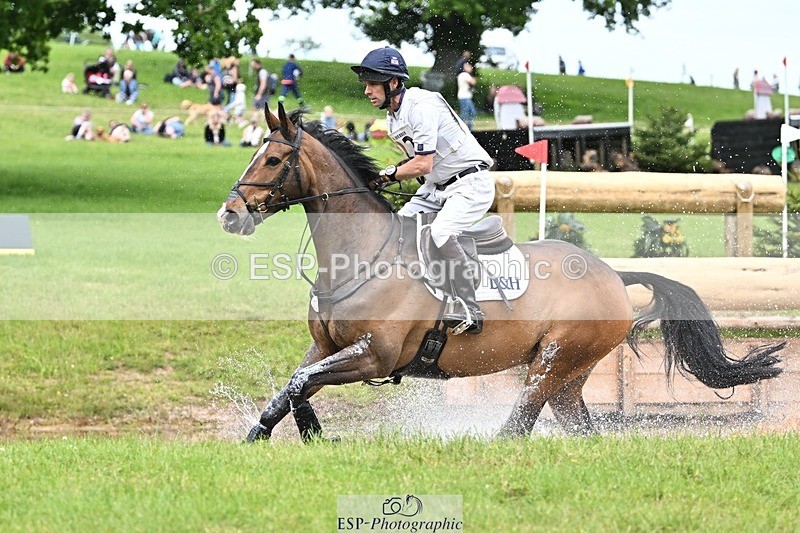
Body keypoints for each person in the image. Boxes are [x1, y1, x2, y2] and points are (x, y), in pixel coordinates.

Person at [351, 46, 494, 334]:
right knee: (397, 228)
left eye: (372, 84)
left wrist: (387, 174)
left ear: (392, 83)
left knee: (440, 232)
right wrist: (379, 178)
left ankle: (470, 306)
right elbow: (418, 163)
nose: (367, 91)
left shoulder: (421, 107)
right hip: (437, 188)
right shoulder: (394, 116)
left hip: (470, 184)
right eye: (365, 84)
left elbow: (423, 164)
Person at [456, 62, 477, 130]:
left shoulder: (461, 75)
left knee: (467, 112)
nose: (471, 67)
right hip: (465, 97)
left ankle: (465, 128)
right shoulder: (465, 74)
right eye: (468, 66)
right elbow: (473, 82)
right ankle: (463, 128)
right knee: (468, 113)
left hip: (464, 97)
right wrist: (473, 76)